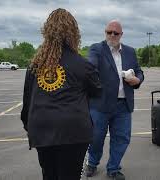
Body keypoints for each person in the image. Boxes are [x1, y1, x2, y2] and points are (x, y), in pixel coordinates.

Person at [20, 8, 101, 180]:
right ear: (74, 33)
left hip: (42, 129)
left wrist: (29, 126)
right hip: (73, 131)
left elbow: (27, 100)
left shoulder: (34, 65)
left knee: (49, 175)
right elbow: (97, 91)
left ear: (47, 32)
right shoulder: (82, 64)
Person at [85, 20, 144, 180]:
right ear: (105, 33)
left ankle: (113, 168)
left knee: (122, 138)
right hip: (100, 105)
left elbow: (139, 71)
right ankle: (92, 162)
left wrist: (137, 80)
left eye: (115, 33)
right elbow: (91, 66)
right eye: (109, 32)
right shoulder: (97, 49)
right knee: (96, 137)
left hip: (123, 105)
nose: (112, 35)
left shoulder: (130, 52)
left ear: (121, 35)